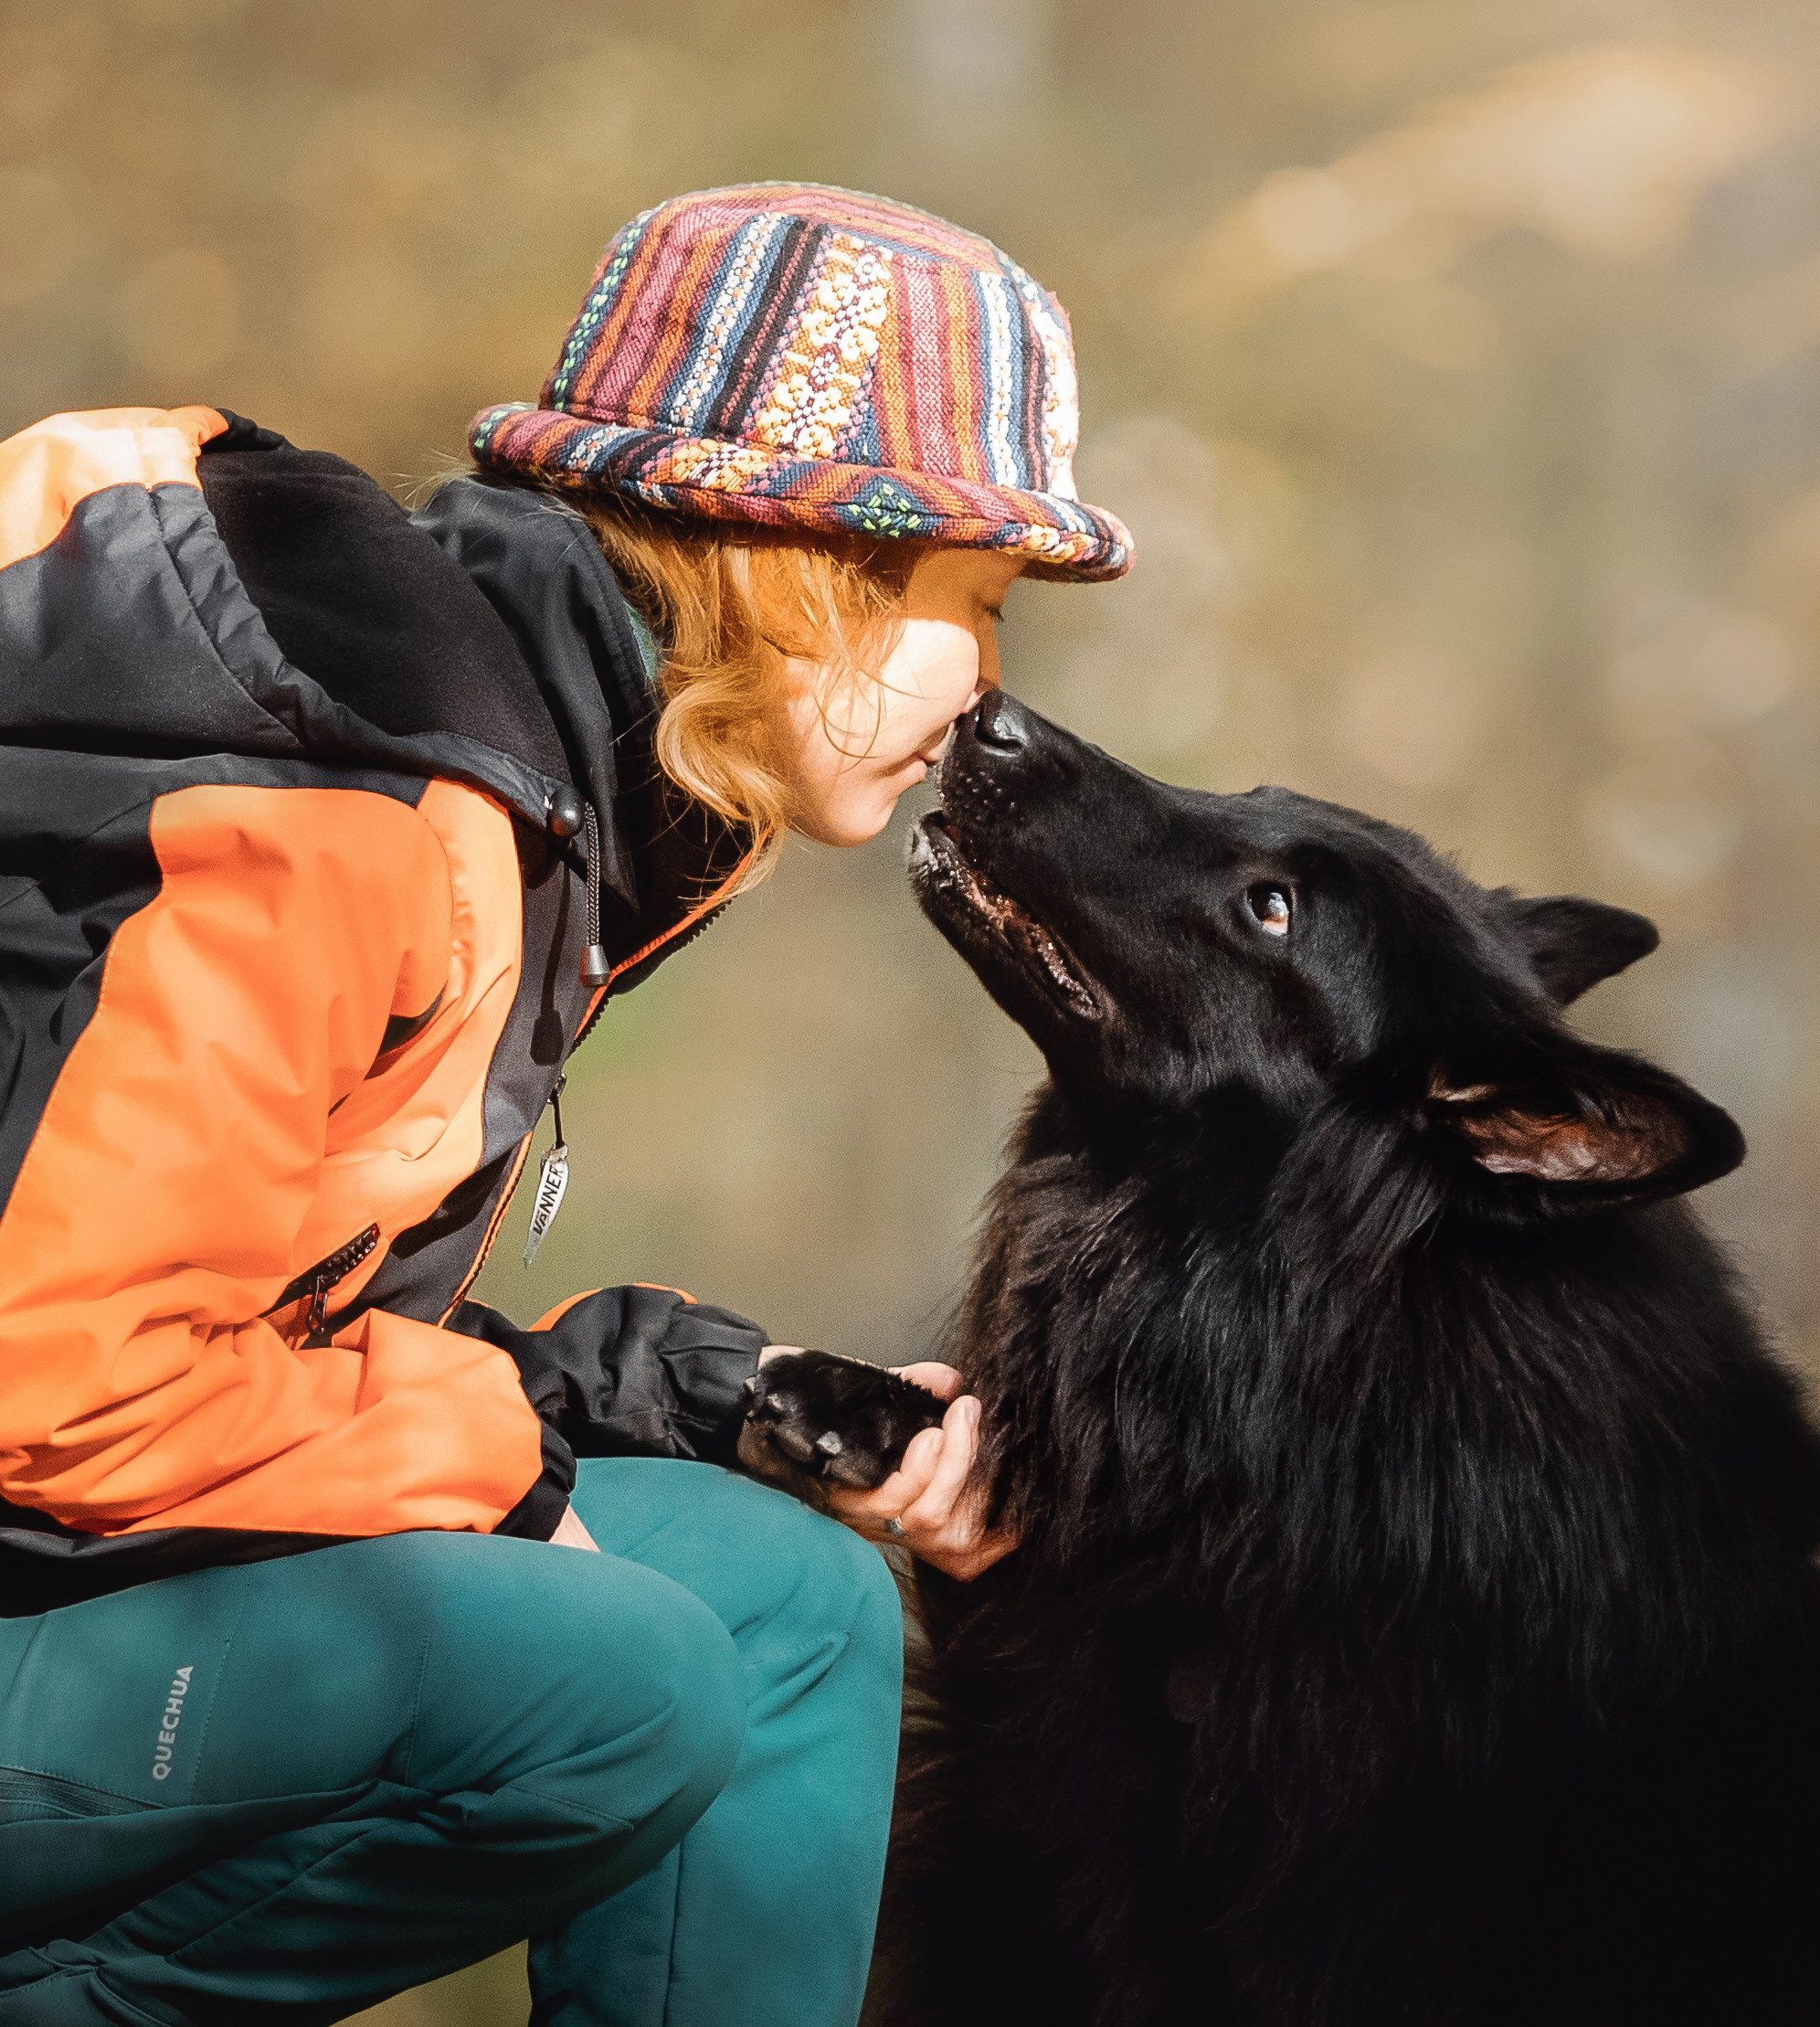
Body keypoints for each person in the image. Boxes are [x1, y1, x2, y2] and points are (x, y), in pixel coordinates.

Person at [0, 184, 1131, 2026]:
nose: (982, 683)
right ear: (799, 564)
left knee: (785, 1615)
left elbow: (272, 1343)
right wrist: (508, 1479)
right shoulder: (351, 813)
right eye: (972, 603)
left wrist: (718, 1400)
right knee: (610, 1673)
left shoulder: (535, 819)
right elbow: (52, 1376)